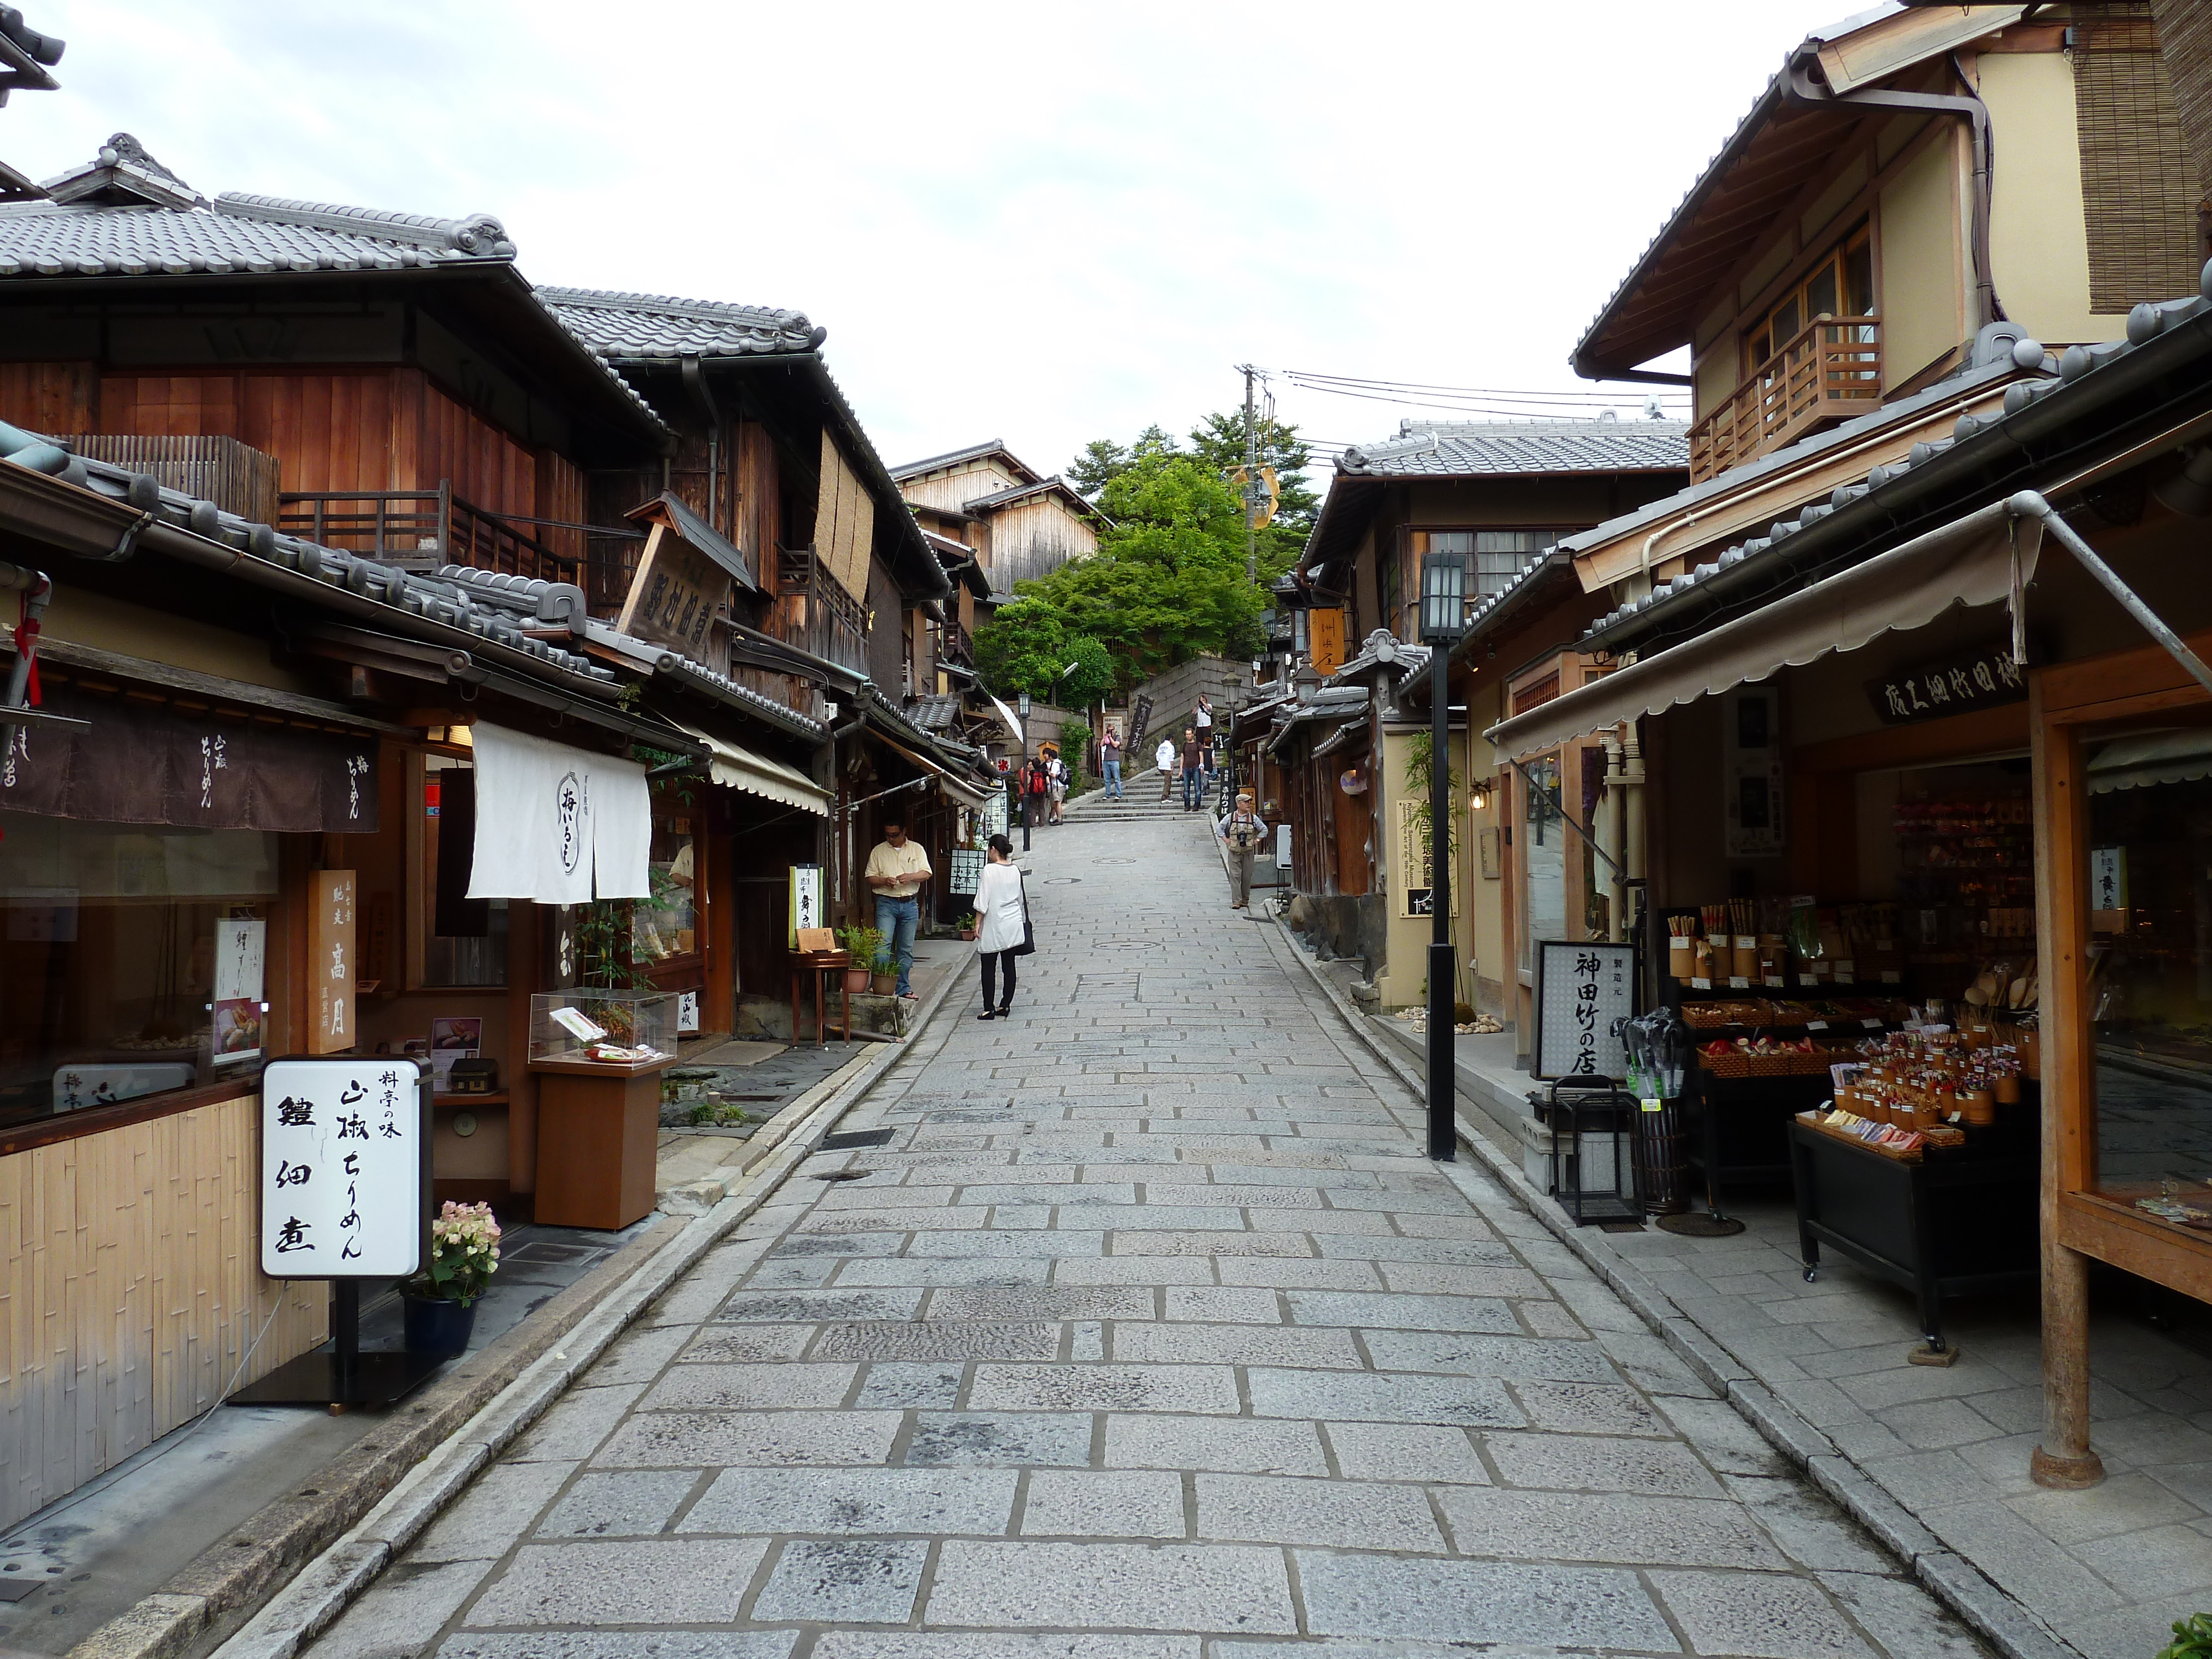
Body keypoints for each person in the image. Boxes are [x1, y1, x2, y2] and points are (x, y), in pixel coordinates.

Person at [863, 817, 931, 998]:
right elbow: (870, 877)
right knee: (883, 945)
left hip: (910, 903)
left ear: (904, 832)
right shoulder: (879, 851)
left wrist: (911, 877)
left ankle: (903, 988)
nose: (891, 838)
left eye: (895, 835)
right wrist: (885, 881)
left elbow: (926, 873)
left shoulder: (916, 849)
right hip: (887, 901)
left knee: (906, 948)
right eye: (888, 835)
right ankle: (879, 985)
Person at [972, 833, 1026, 1019]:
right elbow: (1019, 899)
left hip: (995, 922)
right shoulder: (1015, 869)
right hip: (1013, 921)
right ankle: (1005, 1005)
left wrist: (977, 922)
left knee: (988, 965)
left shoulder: (989, 870)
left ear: (993, 849)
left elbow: (983, 900)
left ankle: (989, 1008)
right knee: (1009, 965)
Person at [1216, 790, 1269, 910]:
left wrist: (1257, 841)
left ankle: (1245, 900)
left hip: (1248, 852)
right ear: (1238, 804)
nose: (1248, 804)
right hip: (1234, 851)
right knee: (1235, 876)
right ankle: (1236, 901)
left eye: (1249, 802)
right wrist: (1226, 840)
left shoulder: (1253, 818)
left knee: (1246, 877)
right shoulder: (1230, 817)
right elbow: (1219, 829)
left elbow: (1264, 830)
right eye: (1246, 802)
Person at [1180, 727, 1204, 812]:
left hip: (1196, 768)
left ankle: (1196, 805)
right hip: (1186, 768)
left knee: (1198, 788)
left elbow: (1201, 756)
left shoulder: (1198, 745)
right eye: (1187, 734)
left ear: (1193, 735)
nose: (1188, 736)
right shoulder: (1184, 745)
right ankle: (1187, 805)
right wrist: (1181, 770)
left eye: (1190, 734)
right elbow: (1182, 758)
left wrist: (1201, 766)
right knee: (1186, 789)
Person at [1100, 727, 1123, 800]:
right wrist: (1105, 736)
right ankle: (1107, 794)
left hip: (1114, 760)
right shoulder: (1106, 737)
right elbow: (1101, 745)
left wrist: (1110, 738)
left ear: (1114, 730)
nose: (1110, 731)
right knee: (1107, 779)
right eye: (1108, 730)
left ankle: (1118, 794)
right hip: (1106, 760)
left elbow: (1115, 745)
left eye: (1111, 730)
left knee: (1117, 778)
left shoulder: (1118, 737)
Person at [1047, 752, 1068, 825]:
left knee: (1058, 802)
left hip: (1057, 785)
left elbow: (1054, 775)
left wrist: (1049, 773)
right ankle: (1059, 818)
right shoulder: (1061, 763)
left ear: (1051, 757)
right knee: (1057, 802)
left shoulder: (1055, 764)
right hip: (1063, 785)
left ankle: (1059, 819)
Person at [1156, 734, 1177, 801]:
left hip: (1161, 765)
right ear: (1171, 739)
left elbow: (1157, 755)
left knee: (1168, 778)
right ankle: (1164, 796)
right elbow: (1171, 757)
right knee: (1167, 781)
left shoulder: (1161, 746)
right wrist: (1172, 767)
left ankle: (1168, 793)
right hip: (1167, 766)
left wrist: (1160, 761)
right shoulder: (1170, 746)